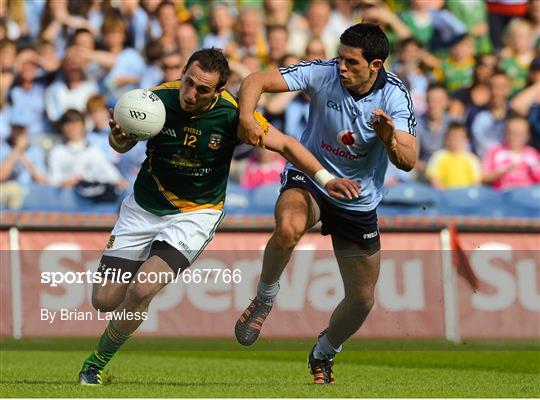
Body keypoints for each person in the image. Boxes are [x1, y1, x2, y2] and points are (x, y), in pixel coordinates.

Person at [78, 48, 358, 385]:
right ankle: (112, 330)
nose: (191, 94)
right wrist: (118, 137)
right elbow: (120, 145)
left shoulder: (233, 115)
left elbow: (286, 146)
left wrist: (327, 179)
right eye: (188, 82)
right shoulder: (154, 101)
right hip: (142, 209)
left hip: (195, 215)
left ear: (220, 90)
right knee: (104, 301)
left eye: (202, 90)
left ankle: (96, 362)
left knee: (140, 290)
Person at [234, 23, 416, 384]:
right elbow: (254, 80)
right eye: (340, 57)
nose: (341, 66)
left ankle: (324, 351)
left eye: (350, 62)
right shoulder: (323, 72)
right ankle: (265, 297)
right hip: (311, 176)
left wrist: (390, 141)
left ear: (375, 65)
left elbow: (409, 160)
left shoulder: (395, 96)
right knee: (288, 228)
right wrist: (245, 116)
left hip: (357, 198)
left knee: (362, 301)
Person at [425, 122, 482, 189]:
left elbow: (476, 182)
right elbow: (434, 179)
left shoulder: (472, 159)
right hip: (443, 196)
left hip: (466, 197)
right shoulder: (438, 156)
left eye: (460, 137)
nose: (456, 140)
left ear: (466, 140)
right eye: (453, 137)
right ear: (446, 139)